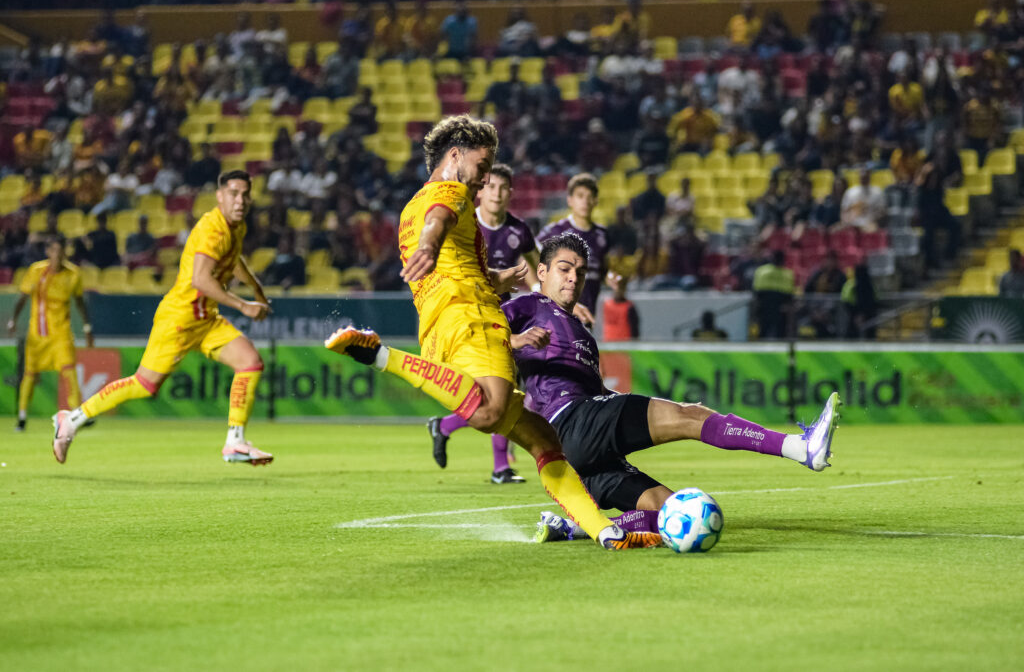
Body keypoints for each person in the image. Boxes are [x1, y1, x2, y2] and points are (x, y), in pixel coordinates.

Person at [324, 115, 660, 550]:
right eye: (482, 167)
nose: (483, 180)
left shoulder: (410, 207)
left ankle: (607, 531)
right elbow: (439, 221)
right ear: (455, 155)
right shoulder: (451, 191)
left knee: (544, 438)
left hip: (439, 326)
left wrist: (499, 279)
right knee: (488, 411)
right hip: (472, 318)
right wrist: (430, 243)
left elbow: (453, 252)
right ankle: (380, 356)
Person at [497, 233, 838, 542]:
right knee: (690, 417)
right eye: (564, 269)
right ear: (541, 272)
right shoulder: (530, 305)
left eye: (581, 271)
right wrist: (514, 338)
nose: (574, 277)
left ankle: (572, 528)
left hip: (581, 452)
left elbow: (596, 392)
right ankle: (800, 448)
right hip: (570, 424)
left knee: (669, 512)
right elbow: (480, 331)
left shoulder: (581, 331)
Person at [51, 171, 273, 466]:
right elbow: (200, 280)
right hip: (180, 318)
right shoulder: (213, 229)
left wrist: (257, 291)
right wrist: (244, 306)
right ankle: (72, 419)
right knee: (144, 385)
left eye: (245, 194)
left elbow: (234, 261)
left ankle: (235, 442)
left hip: (205, 319)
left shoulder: (236, 227)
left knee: (249, 362)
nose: (240, 200)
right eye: (233, 193)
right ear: (220, 196)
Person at [426, 163, 540, 485]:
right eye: (491, 187)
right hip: (471, 317)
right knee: (495, 392)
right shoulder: (465, 223)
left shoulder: (519, 231)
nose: (497, 193)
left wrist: (538, 297)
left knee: (502, 391)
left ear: (510, 193)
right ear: (482, 190)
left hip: (507, 319)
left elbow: (534, 269)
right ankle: (451, 430)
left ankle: (483, 454)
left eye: (504, 188)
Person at [7, 235, 94, 432]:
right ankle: (22, 418)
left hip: (61, 334)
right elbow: (23, 297)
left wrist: (88, 328)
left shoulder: (73, 274)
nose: (58, 255)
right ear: (48, 252)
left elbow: (80, 302)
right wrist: (13, 319)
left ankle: (78, 414)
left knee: (69, 371)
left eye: (61, 251)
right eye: (54, 250)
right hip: (37, 335)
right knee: (29, 375)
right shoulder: (36, 271)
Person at [536, 173, 610, 327]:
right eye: (580, 196)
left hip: (587, 315)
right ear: (570, 200)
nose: (585, 201)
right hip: (557, 315)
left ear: (596, 201)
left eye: (589, 196)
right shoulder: (555, 231)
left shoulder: (602, 235)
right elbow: (530, 258)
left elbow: (602, 270)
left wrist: (610, 278)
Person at [602, 271, 638, 341]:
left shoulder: (629, 307)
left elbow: (635, 330)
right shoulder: (606, 304)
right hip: (608, 344)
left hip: (624, 345)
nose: (619, 290)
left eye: (621, 287)